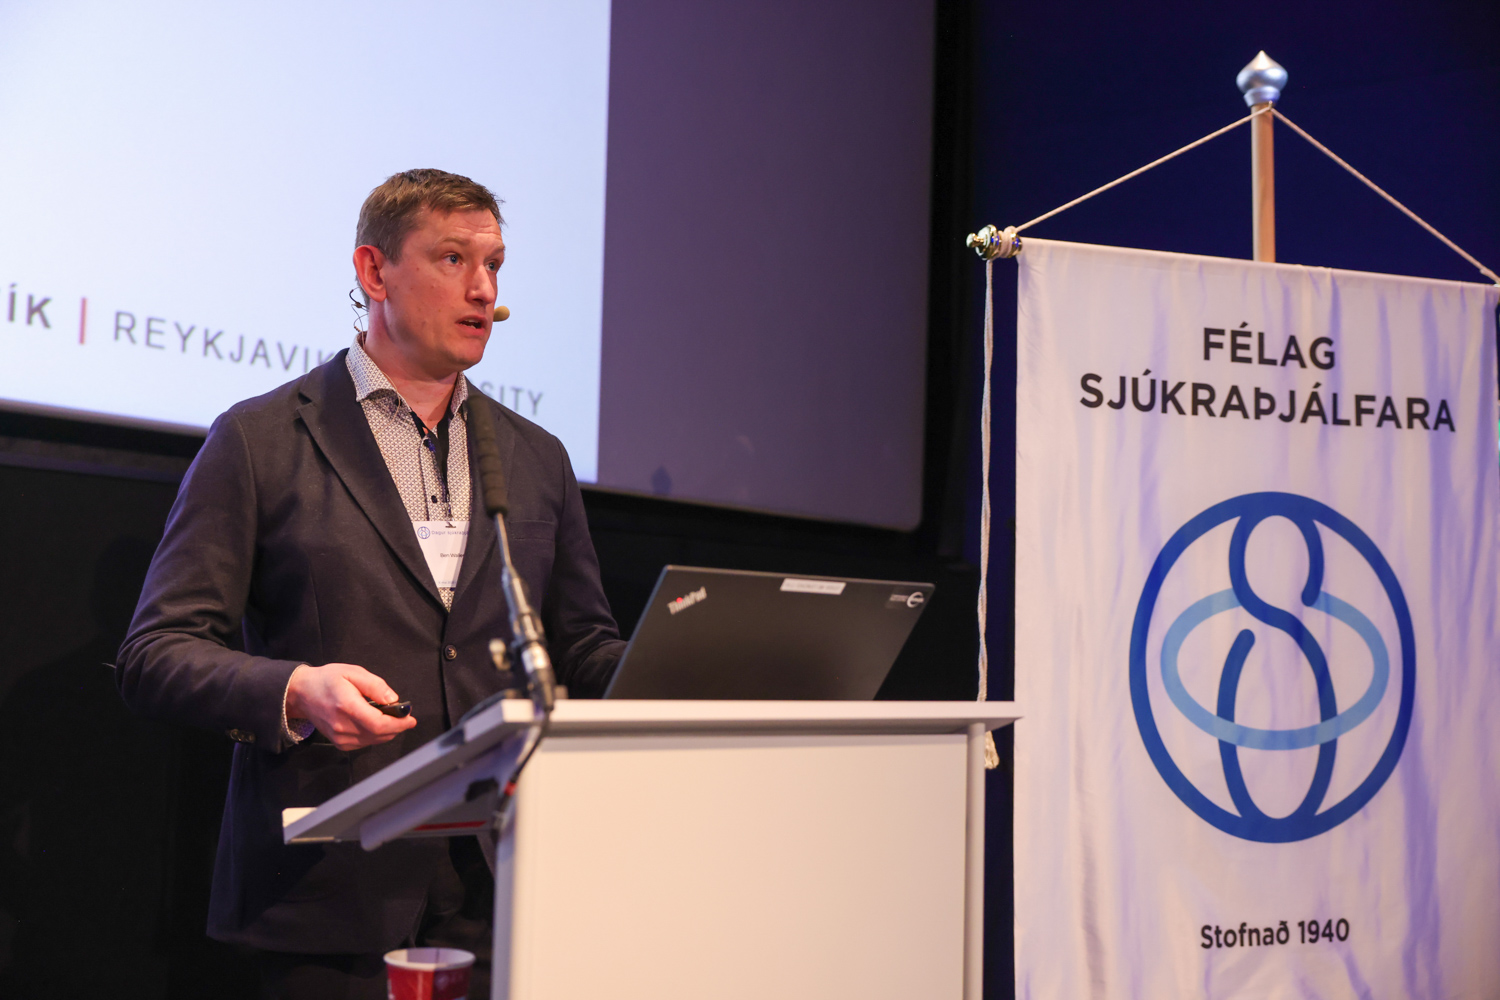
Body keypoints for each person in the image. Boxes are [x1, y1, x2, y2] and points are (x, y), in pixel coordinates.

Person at [117, 168, 625, 999]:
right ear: (373, 270)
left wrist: (693, 673)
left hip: (502, 892)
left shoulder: (537, 457)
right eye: (453, 258)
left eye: (494, 265)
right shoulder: (259, 440)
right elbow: (157, 652)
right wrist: (296, 689)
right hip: (327, 897)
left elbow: (581, 647)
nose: (484, 288)